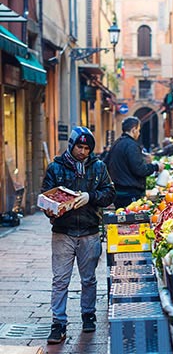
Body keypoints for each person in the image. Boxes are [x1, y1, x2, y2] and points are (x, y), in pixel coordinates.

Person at [41, 126, 115, 344]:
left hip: (90, 231)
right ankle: (58, 323)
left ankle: (88, 315)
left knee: (89, 279)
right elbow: (46, 195)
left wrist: (90, 196)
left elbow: (110, 193)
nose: (83, 152)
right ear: (71, 146)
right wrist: (51, 207)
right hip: (63, 232)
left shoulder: (98, 167)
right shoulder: (55, 167)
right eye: (79, 147)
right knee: (60, 280)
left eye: (86, 148)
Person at [105, 116, 164, 209]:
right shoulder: (131, 145)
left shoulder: (116, 143)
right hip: (130, 194)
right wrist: (155, 167)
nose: (139, 133)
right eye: (138, 130)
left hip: (118, 193)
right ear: (133, 130)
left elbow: (106, 163)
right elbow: (140, 169)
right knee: (132, 220)